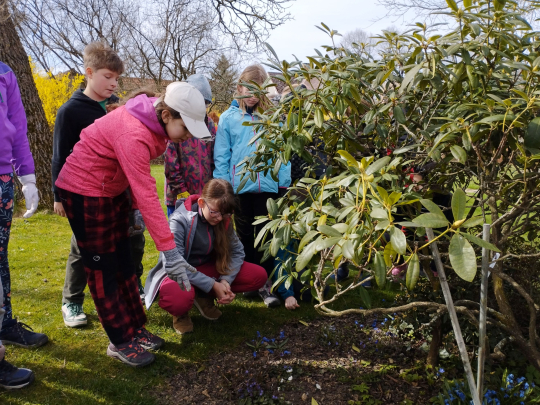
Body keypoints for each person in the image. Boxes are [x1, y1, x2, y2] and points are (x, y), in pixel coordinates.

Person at [55, 81, 212, 367]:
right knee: (104, 268)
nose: (188, 135)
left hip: (110, 189)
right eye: (185, 127)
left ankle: (135, 328)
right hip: (85, 191)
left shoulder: (155, 124)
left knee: (125, 262)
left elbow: (133, 178)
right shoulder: (134, 132)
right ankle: (119, 340)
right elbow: (146, 190)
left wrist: (133, 210)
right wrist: (170, 253)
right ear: (167, 115)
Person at [51, 42, 147, 328]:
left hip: (120, 191)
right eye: (108, 76)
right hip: (85, 194)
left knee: (133, 239)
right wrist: (58, 196)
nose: (113, 83)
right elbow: (59, 156)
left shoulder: (120, 107)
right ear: (89, 73)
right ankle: (72, 301)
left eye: (117, 78)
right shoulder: (70, 111)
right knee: (83, 247)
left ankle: (132, 288)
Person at [144, 179, 267, 334]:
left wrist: (225, 281)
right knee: (178, 301)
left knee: (258, 276)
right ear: (201, 202)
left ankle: (202, 296)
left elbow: (237, 252)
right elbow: (175, 264)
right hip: (178, 273)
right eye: (215, 212)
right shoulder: (179, 220)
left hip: (208, 267)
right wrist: (213, 285)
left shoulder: (222, 218)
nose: (220, 218)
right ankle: (180, 314)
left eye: (225, 214)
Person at [213, 64, 291, 308]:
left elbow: (283, 151)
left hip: (268, 187)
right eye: (247, 90)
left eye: (257, 90)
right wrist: (224, 188)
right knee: (245, 236)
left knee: (267, 237)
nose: (252, 96)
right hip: (240, 189)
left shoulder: (272, 117)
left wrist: (283, 182)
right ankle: (252, 283)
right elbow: (222, 156)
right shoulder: (228, 118)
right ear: (238, 88)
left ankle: (266, 284)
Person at [0, 61, 45, 388]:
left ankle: (4, 324)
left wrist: (26, 177)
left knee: (0, 258)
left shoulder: (4, 72)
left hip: (2, 179)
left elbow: (16, 122)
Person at [164, 74, 217, 217]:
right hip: (179, 197)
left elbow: (214, 159)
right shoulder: (176, 124)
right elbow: (171, 163)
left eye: (205, 104)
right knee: (179, 236)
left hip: (203, 198)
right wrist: (181, 190)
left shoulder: (210, 126)